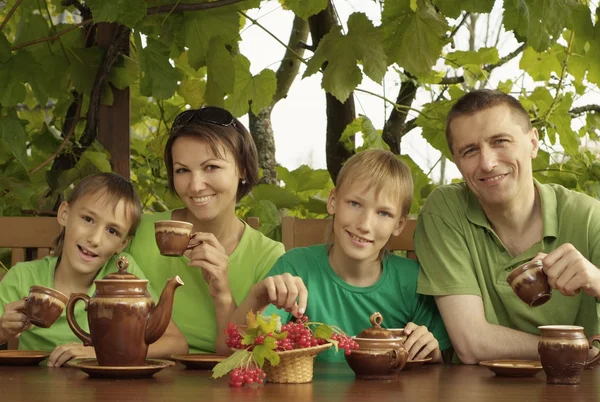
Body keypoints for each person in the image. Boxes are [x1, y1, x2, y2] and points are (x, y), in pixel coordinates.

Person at [414, 89, 600, 364]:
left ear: (533, 143)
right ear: (457, 162)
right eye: (470, 150)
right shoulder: (445, 210)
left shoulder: (587, 216)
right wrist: (578, 351)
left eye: (500, 141)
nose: (487, 163)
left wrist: (597, 281)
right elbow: (471, 343)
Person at [232, 149, 451, 362]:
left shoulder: (413, 282)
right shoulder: (296, 267)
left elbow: (441, 371)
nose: (364, 225)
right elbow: (244, 346)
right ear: (333, 201)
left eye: (384, 213)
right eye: (354, 204)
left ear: (399, 224)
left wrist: (433, 355)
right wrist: (258, 297)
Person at [127, 106, 285, 354]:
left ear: (242, 168)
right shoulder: (141, 231)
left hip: (224, 385)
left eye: (211, 167)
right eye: (182, 170)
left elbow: (250, 358)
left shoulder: (268, 256)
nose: (196, 185)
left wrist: (222, 292)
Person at [0, 173, 188, 366]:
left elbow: (176, 343)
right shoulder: (23, 277)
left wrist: (96, 352)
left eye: (112, 231)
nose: (95, 239)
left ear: (122, 243)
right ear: (64, 214)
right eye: (88, 219)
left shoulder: (122, 272)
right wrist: (3, 330)